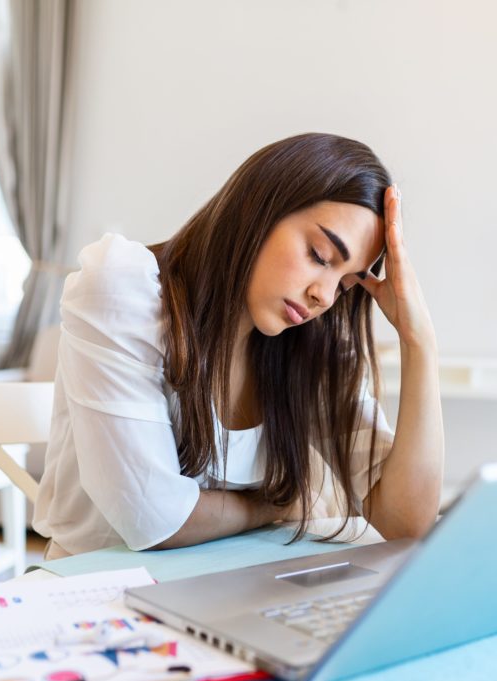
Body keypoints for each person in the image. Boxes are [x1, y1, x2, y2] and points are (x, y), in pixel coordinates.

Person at [33, 133, 444, 558]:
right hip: (95, 598)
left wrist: (420, 343)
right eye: (320, 256)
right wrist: (271, 504)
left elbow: (406, 522)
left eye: (345, 283)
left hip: (224, 590)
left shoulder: (309, 347)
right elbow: (152, 519)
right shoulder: (124, 290)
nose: (324, 295)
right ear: (259, 211)